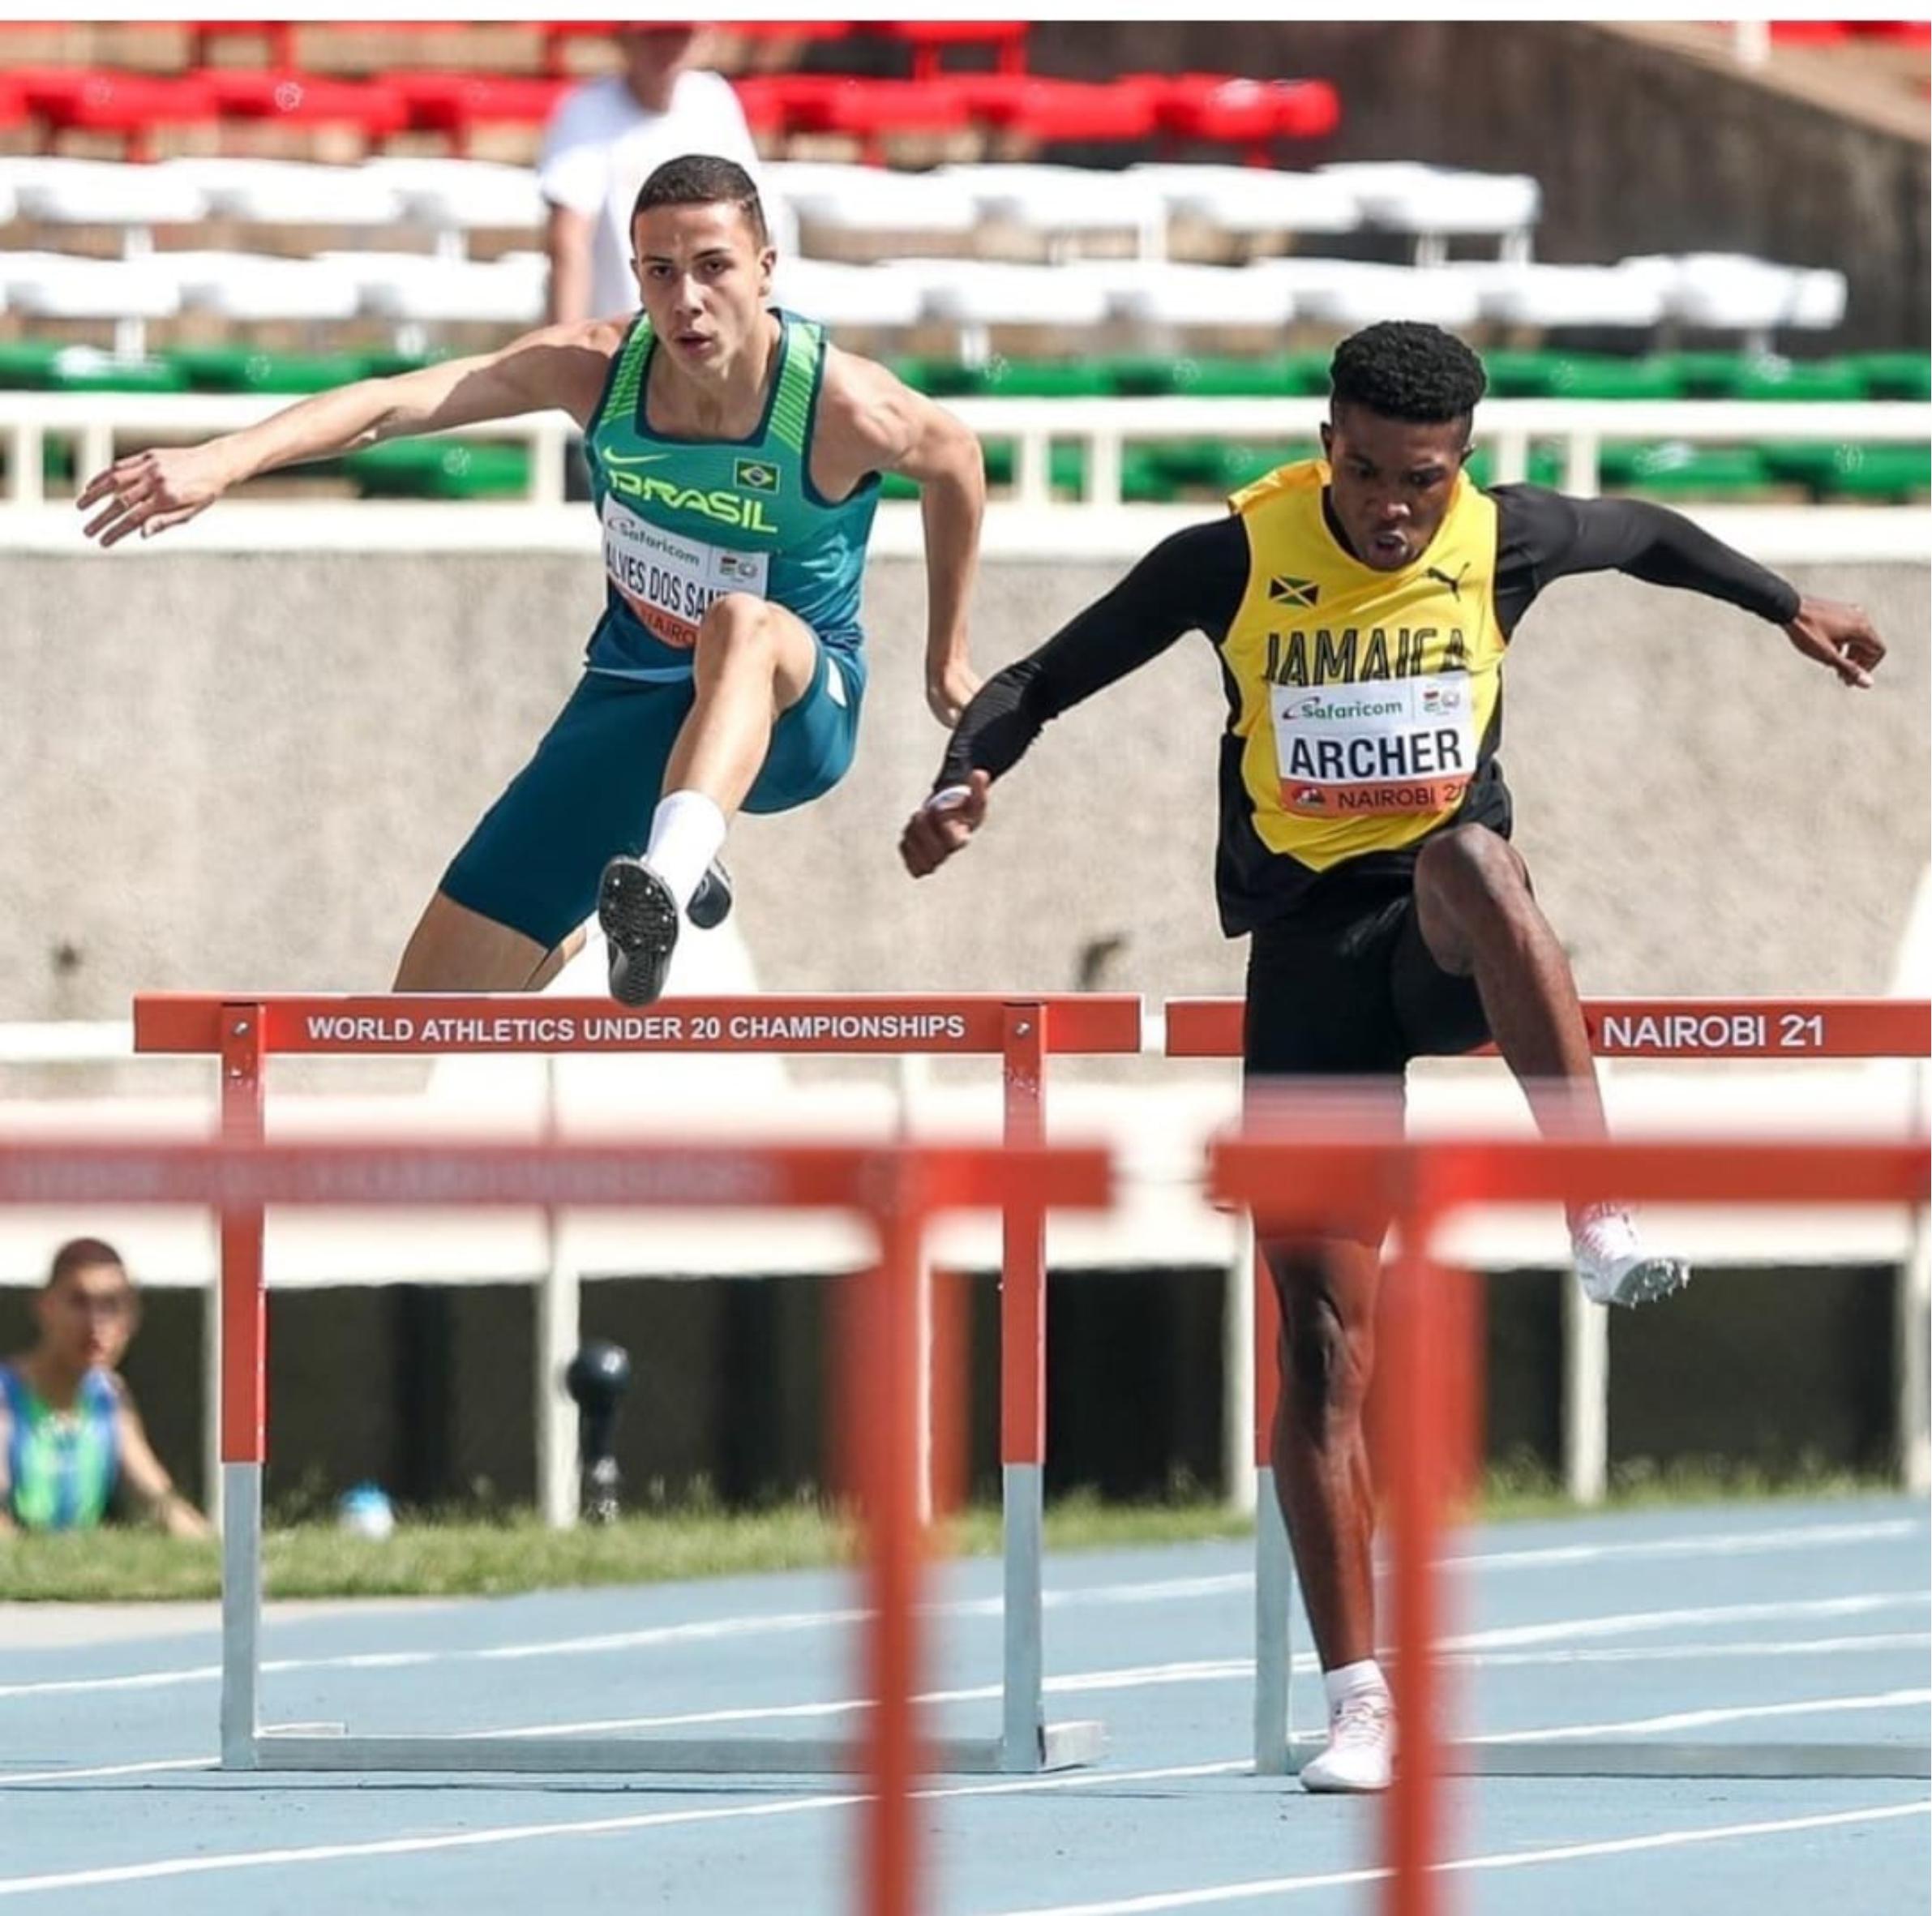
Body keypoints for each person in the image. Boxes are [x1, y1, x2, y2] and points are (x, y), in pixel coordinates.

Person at [898, 320, 1886, 1794]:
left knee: (1479, 864)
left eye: (1416, 479)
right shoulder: (1232, 552)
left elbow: (1647, 533)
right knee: (1319, 1347)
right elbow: (1046, 674)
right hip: (1306, 960)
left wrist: (1783, 601)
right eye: (1360, 472)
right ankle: (1359, 1693)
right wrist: (962, 775)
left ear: (1462, 461)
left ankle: (1594, 1211)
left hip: (1438, 939)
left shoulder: (1504, 538)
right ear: (1324, 441)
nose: (1388, 507)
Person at [79, 154, 984, 1008]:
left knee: (741, 623)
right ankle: (617, 899)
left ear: (765, 269)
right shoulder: (595, 368)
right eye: (659, 272)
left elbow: (958, 462)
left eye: (713, 267)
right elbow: (397, 402)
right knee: (422, 1012)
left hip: (796, 708)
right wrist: (223, 460)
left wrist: (947, 657)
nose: (688, 301)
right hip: (631, 700)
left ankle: (662, 884)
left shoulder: (842, 407)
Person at [540, 24, 778, 332]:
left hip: (708, 332)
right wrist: (568, 345)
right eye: (654, 34)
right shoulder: (586, 110)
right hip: (619, 339)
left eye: (679, 34)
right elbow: (569, 243)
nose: (667, 48)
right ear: (624, 37)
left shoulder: (714, 101)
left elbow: (750, 227)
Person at [0, 1237, 212, 1538]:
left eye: (111, 1306)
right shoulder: (6, 1395)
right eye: (79, 1302)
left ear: (131, 1319)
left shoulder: (107, 1396)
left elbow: (160, 1501)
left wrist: (221, 1557)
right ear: (44, 1307)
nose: (95, 1323)